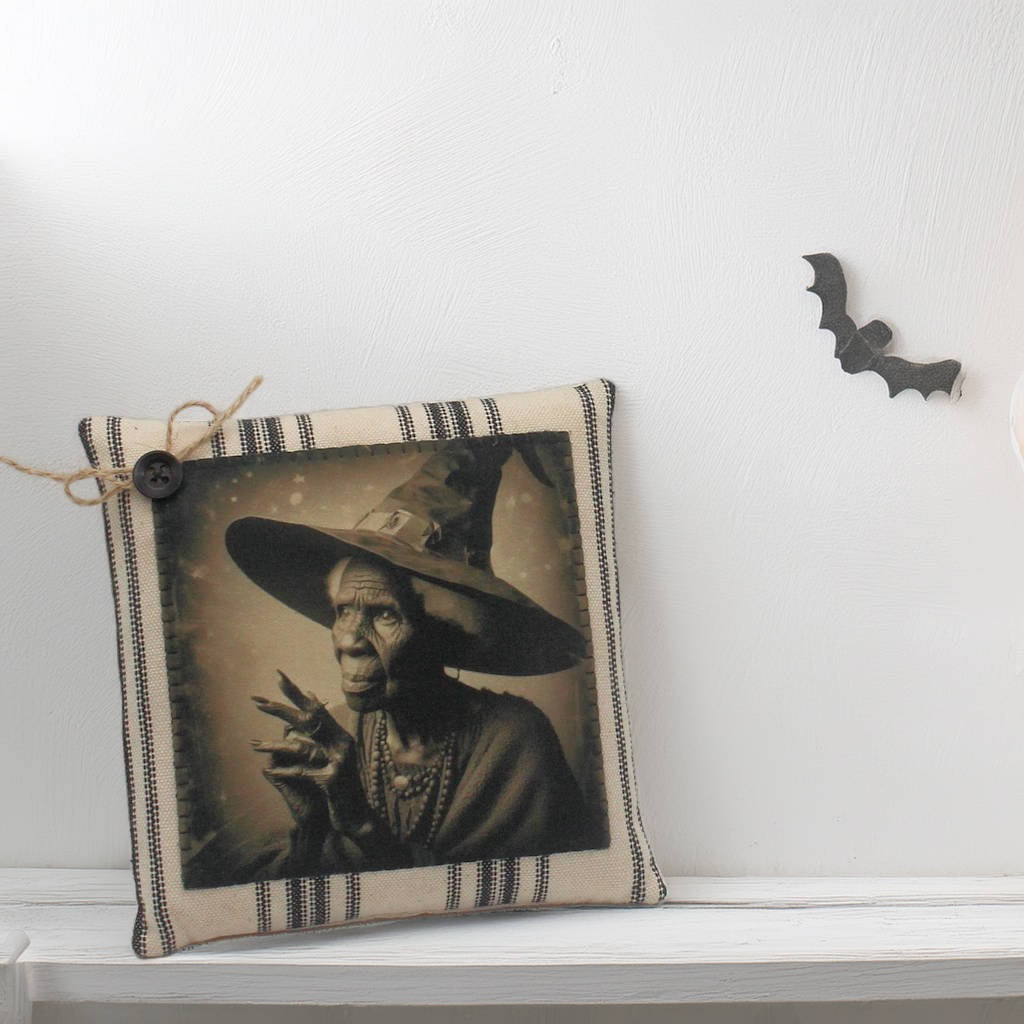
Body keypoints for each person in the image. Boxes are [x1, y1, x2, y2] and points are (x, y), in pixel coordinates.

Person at [225, 439, 600, 875]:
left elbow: (510, 893)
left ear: (446, 635)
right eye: (344, 611)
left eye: (385, 614)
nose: (348, 640)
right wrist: (312, 828)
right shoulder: (337, 737)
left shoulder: (514, 740)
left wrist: (362, 826)